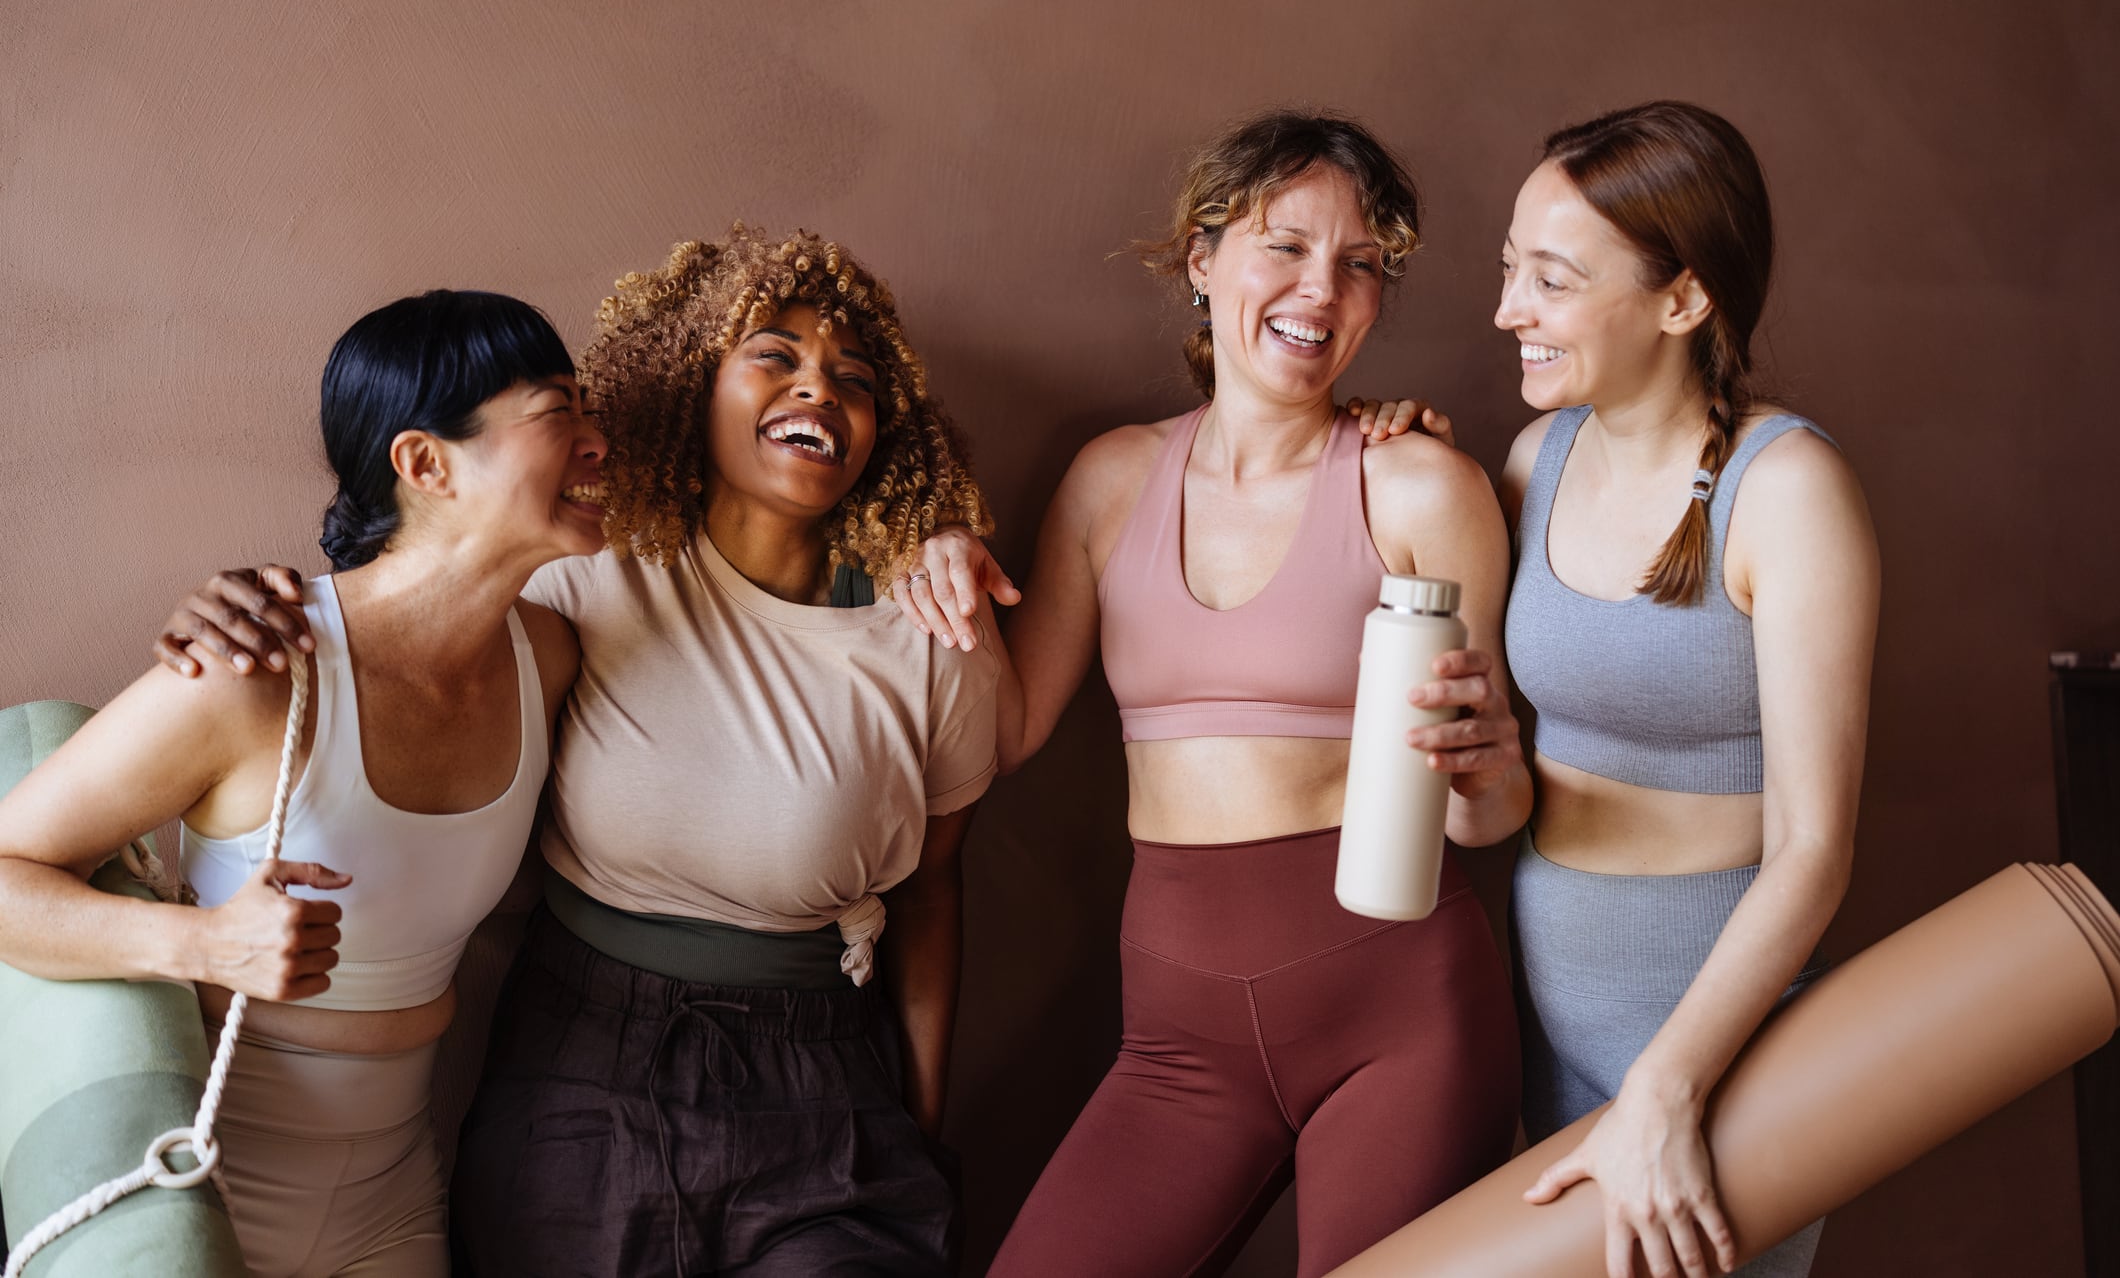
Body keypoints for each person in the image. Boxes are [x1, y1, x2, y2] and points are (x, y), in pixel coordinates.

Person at [155, 226, 1000, 1277]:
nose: (818, 390)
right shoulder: (579, 577)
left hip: (827, 1073)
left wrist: (918, 1125)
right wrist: (243, 600)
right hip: (586, 1053)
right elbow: (410, 603)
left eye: (855, 378)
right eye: (773, 355)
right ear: (692, 387)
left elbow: (936, 886)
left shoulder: (933, 625)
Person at [900, 111, 1529, 1278]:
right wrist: (933, 551)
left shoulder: (1419, 488)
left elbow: (1482, 819)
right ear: (1201, 259)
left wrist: (1488, 771)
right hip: (1176, 1045)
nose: (1319, 290)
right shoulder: (1110, 478)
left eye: (1358, 265)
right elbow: (1008, 731)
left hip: (1401, 1021)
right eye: (1283, 246)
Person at [0, 290, 602, 1277]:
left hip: (399, 1192)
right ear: (425, 462)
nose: (596, 442)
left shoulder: (549, 655)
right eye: (556, 411)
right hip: (209, 1177)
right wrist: (202, 942)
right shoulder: (254, 671)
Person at [1494, 101, 1878, 1278]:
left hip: (1716, 1044)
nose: (1508, 310)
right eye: (1509, 269)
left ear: (1680, 298)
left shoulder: (1787, 490)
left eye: (1550, 280)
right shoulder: (1531, 461)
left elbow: (1812, 846)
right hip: (1542, 1009)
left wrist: (1666, 1086)